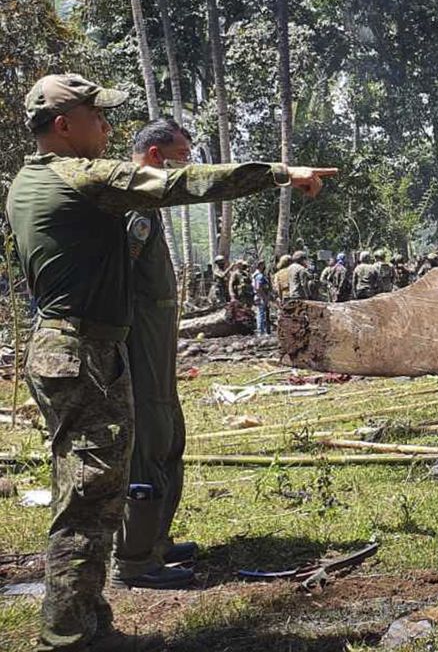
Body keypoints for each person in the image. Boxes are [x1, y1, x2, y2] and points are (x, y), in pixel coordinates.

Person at [6, 75, 337, 651]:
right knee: (88, 498)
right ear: (63, 126)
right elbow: (185, 183)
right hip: (81, 351)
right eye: (96, 116)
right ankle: (71, 635)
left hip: (74, 348)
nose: (107, 128)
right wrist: (282, 173)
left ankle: (83, 622)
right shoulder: (79, 178)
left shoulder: (25, 182)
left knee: (89, 492)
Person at [251, 260, 272, 334]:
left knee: (262, 313)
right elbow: (258, 287)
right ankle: (261, 331)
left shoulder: (257, 275)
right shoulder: (259, 276)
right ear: (260, 265)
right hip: (261, 297)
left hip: (260, 296)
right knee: (261, 314)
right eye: (263, 265)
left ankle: (263, 331)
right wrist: (264, 297)